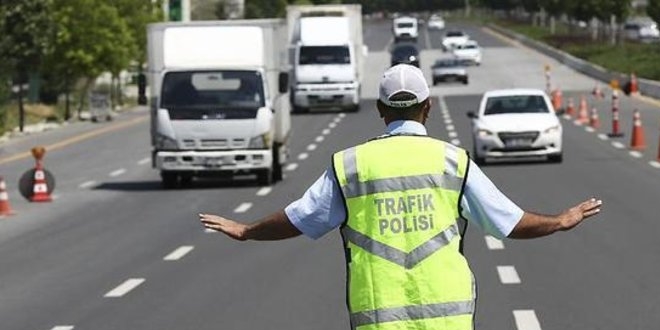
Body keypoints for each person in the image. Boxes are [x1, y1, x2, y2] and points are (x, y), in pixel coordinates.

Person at [199, 64, 603, 330]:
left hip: (379, 318)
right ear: (428, 107)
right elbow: (509, 223)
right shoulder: (452, 162)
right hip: (450, 318)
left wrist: (247, 230)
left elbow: (301, 218)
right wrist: (559, 221)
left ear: (380, 109)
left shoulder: (351, 165)